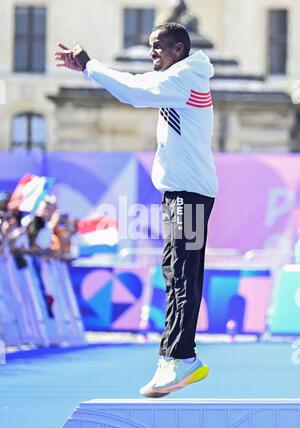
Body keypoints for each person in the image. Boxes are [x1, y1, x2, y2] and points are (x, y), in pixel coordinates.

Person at [55, 22, 218, 397]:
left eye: (157, 47)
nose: (151, 54)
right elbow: (138, 84)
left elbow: (134, 91)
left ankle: (181, 358)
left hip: (189, 194)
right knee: (175, 273)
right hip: (180, 194)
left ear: (178, 49)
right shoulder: (179, 76)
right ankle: (175, 356)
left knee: (182, 274)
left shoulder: (186, 79)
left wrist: (90, 66)